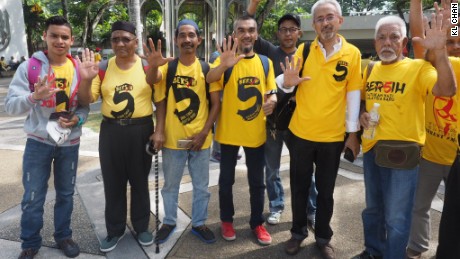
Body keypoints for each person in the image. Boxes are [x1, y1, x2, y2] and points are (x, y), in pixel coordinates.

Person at [352, 12, 456, 259]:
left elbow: (447, 89)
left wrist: (440, 51)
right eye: (381, 38)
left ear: (404, 43)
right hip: (371, 149)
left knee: (397, 217)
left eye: (393, 37)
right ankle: (373, 251)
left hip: (403, 154)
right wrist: (363, 114)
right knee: (373, 210)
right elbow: (364, 102)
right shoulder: (371, 69)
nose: (387, 42)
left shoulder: (418, 68)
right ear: (375, 42)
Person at [5, 15, 96, 259]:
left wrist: (77, 119)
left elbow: (85, 108)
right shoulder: (29, 68)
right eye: (54, 35)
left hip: (70, 143)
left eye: (64, 37)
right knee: (33, 196)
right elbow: (10, 106)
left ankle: (63, 236)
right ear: (45, 37)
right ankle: (30, 242)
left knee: (66, 194)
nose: (59, 41)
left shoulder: (79, 69)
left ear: (71, 40)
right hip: (38, 143)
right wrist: (34, 97)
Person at [280, 0, 362, 257]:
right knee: (299, 188)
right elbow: (283, 81)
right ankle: (297, 233)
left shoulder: (353, 54)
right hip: (300, 135)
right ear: (314, 25)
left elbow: (353, 95)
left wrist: (352, 135)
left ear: (340, 20)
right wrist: (286, 82)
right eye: (320, 19)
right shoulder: (304, 50)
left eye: (330, 17)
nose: (325, 23)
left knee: (326, 192)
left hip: (332, 138)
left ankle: (324, 237)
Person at [77, 21, 155, 252]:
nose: (120, 43)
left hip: (140, 130)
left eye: (125, 39)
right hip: (111, 132)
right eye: (115, 39)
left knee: (140, 181)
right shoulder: (102, 67)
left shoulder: (146, 66)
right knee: (113, 183)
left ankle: (142, 227)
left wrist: (158, 131)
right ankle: (115, 230)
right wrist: (86, 78)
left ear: (135, 41)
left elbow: (159, 99)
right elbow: (86, 100)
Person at [143, 19, 221, 244]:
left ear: (199, 39)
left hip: (200, 140)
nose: (187, 39)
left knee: (201, 187)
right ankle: (169, 221)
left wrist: (205, 133)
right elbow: (155, 89)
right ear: (176, 40)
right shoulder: (168, 67)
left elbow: (216, 104)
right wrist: (155, 66)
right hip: (172, 141)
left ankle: (199, 223)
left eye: (191, 35)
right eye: (182, 35)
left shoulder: (207, 69)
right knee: (170, 186)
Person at [206, 15, 277, 246]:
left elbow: (271, 91)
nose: (246, 34)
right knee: (226, 181)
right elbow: (209, 78)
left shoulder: (265, 62)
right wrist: (224, 65)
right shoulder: (224, 59)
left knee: (258, 182)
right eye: (241, 30)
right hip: (228, 134)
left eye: (251, 30)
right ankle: (226, 220)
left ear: (256, 34)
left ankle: (257, 222)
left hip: (255, 134)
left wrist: (272, 101)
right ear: (234, 34)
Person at [246, 0, 318, 227]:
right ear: (277, 34)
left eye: (292, 29)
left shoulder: (309, 54)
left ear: (300, 33)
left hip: (300, 124)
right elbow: (248, 30)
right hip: (273, 124)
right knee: (272, 170)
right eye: (284, 29)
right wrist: (253, 6)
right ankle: (276, 206)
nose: (288, 33)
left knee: (306, 170)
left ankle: (311, 210)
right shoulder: (269, 52)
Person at [406, 1, 458, 258]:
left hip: (456, 158)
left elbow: (452, 28)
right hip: (429, 155)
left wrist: (455, 8)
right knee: (419, 206)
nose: (454, 46)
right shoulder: (428, 64)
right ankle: (416, 247)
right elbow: (422, 35)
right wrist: (416, 3)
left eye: (457, 42)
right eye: (450, 43)